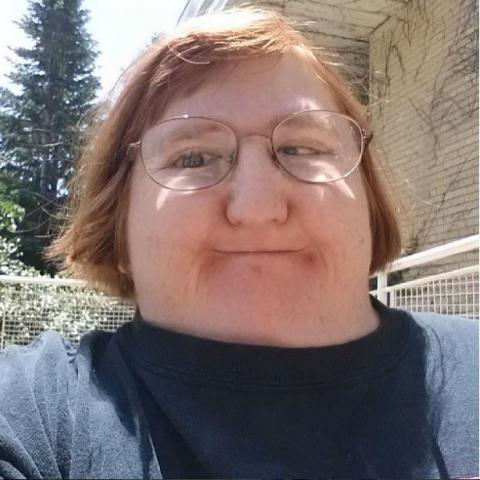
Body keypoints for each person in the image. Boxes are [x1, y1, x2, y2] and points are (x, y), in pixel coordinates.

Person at [0, 7, 477, 479]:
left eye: (301, 148)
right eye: (193, 158)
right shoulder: (33, 415)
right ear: (117, 227)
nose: (256, 207)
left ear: (368, 198)